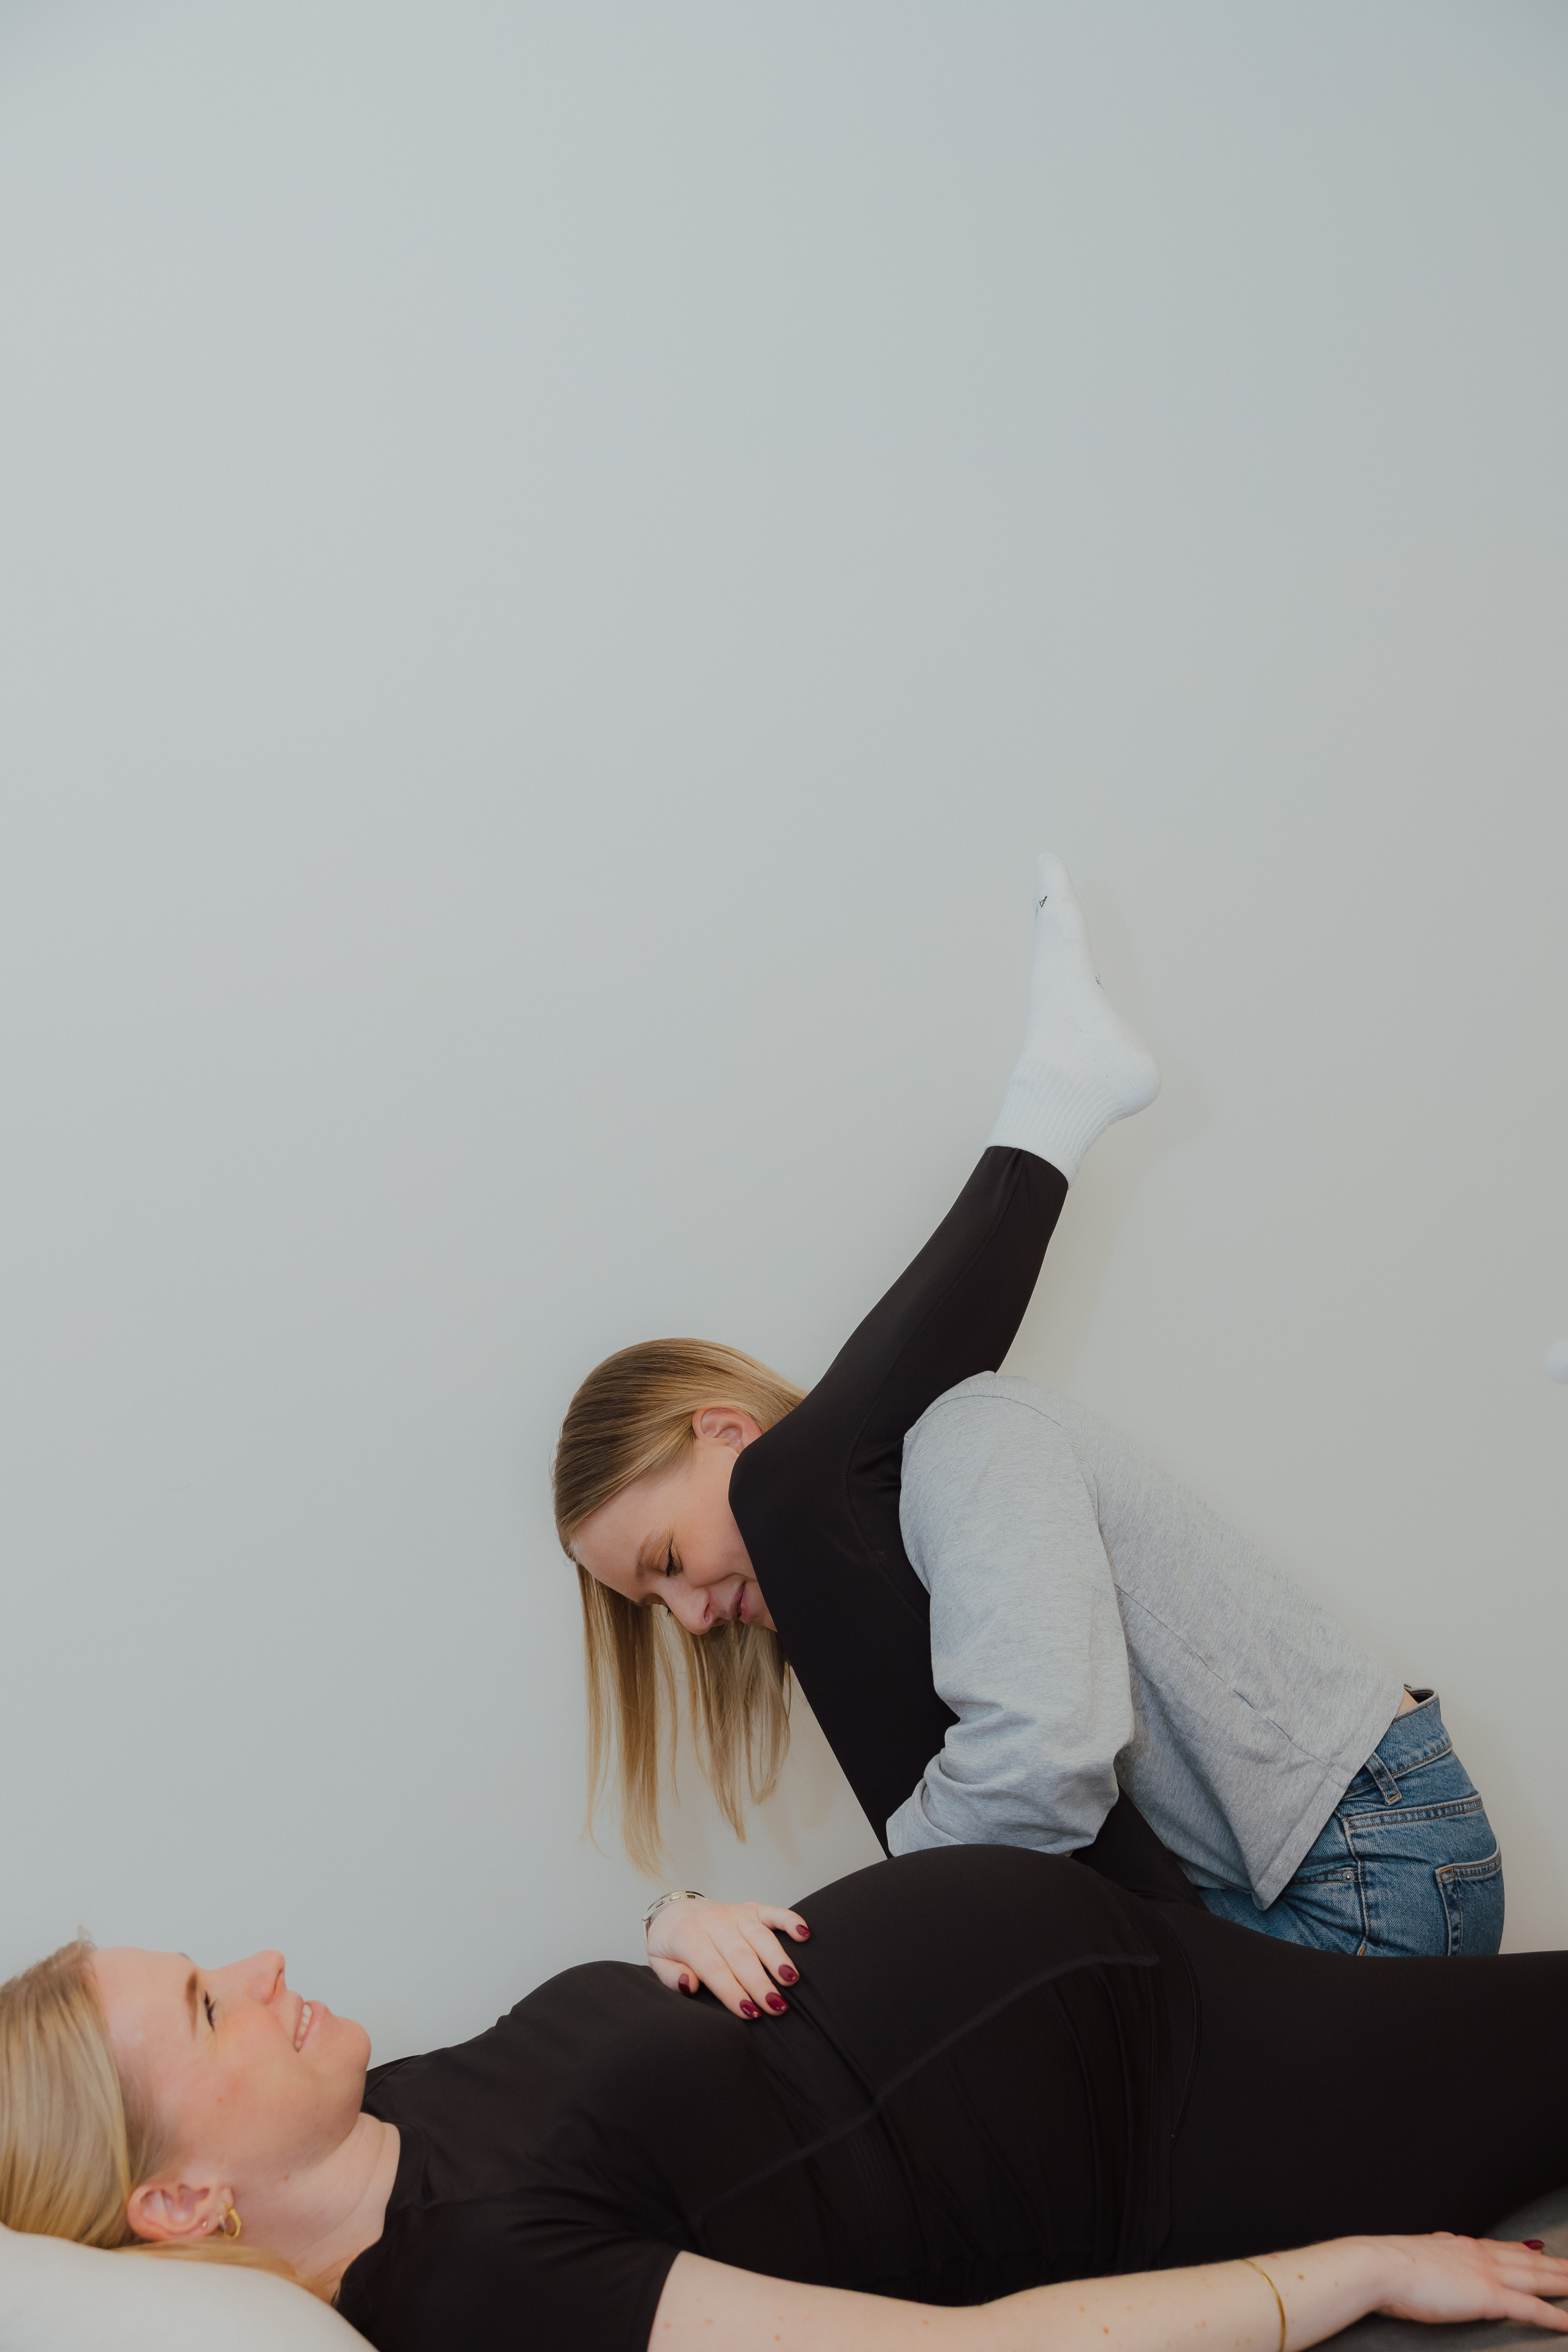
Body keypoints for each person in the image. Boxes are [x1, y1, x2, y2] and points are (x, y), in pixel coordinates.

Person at [558, 856, 1503, 1972]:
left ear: (725, 1429)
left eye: (667, 1558)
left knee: (1000, 1993)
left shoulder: (967, 1442)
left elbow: (1045, 1764)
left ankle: (1053, 1103)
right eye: (656, 1603)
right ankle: (1053, 1103)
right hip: (1299, 1871)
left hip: (1365, 1873)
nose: (691, 1616)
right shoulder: (894, 1569)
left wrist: (858, 1938)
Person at [3, 1845, 1567, 2352]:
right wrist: (1360, 2269)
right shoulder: (482, 2280)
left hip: (1136, 1972)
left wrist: (670, 1921)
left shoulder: (381, 2112)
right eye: (211, 2003)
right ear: (179, 2200)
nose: (263, 1963)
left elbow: (642, 2083)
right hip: (1183, 2112)